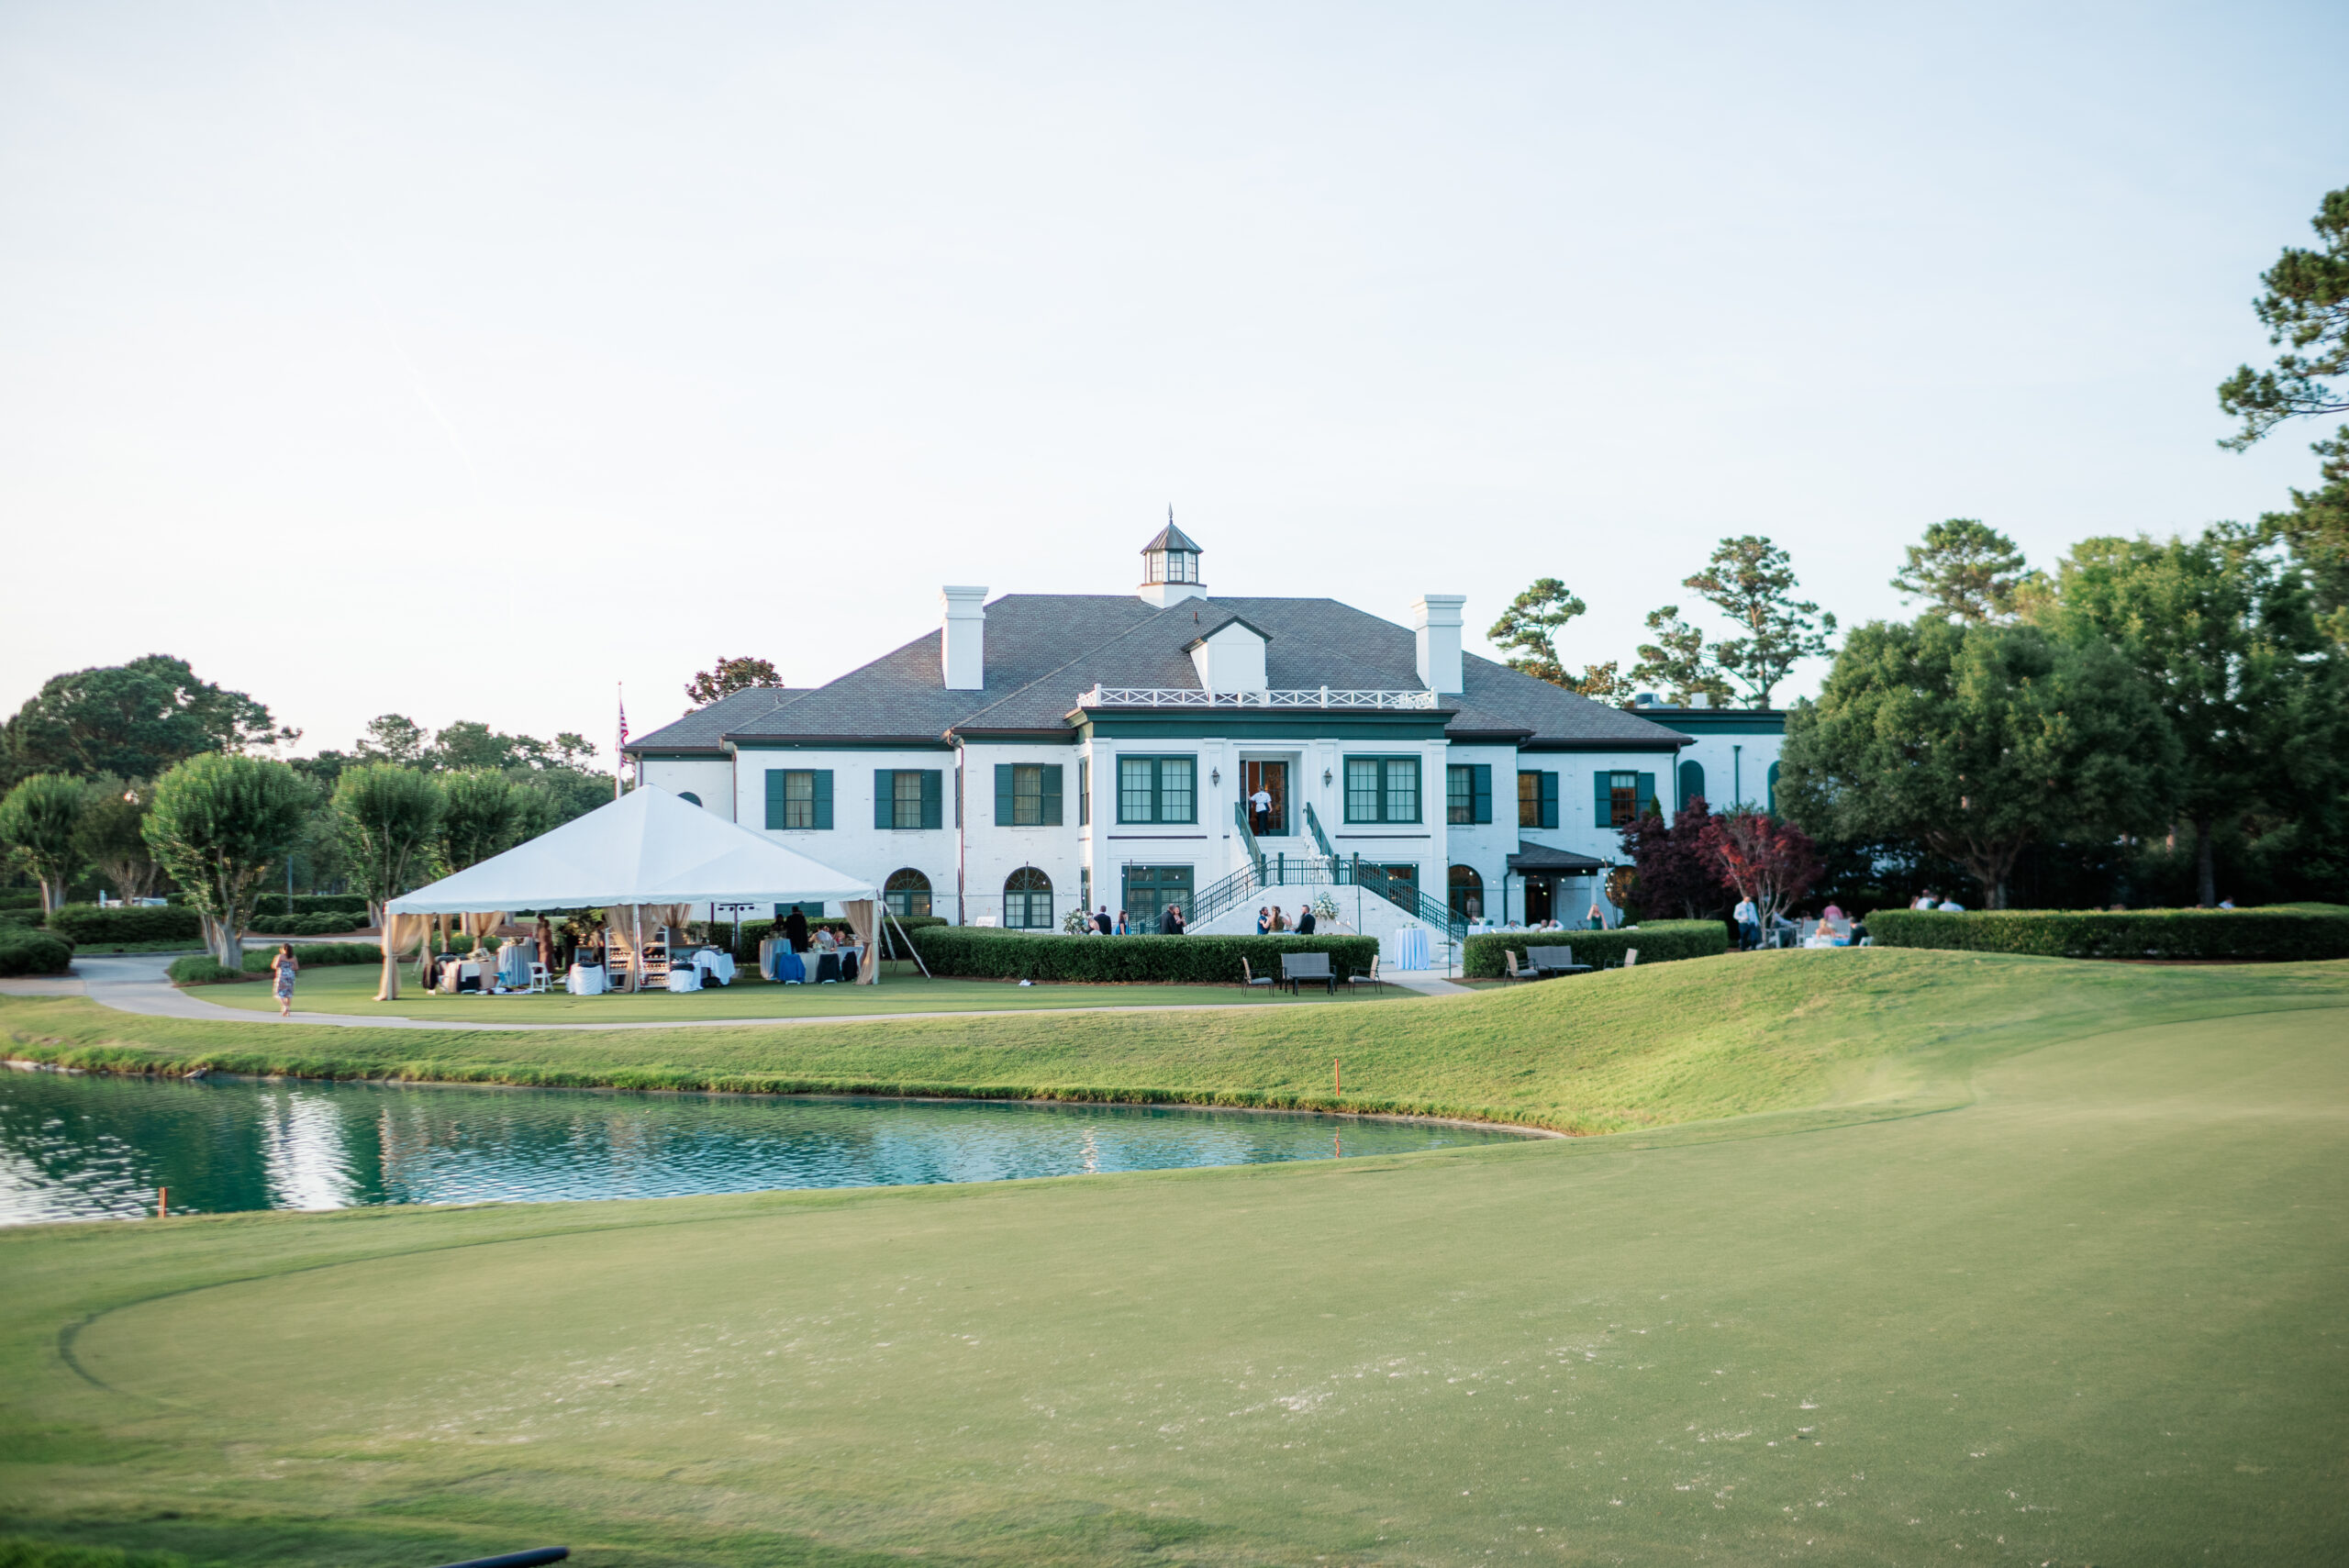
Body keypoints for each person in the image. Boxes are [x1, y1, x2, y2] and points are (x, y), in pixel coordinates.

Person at [269, 941, 299, 1018]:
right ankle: (286, 1011)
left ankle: (285, 1006)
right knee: (288, 994)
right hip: (291, 976)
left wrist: (280, 966)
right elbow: (296, 968)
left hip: (282, 976)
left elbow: (275, 966)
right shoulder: (293, 957)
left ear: (283, 949)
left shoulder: (280, 956)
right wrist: (290, 967)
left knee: (278, 993)